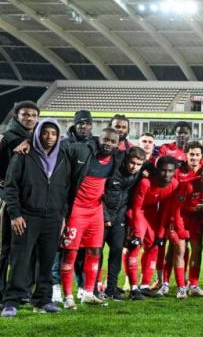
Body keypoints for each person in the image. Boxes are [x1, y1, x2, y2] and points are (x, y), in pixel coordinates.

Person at [1, 118, 68, 317]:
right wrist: (15, 215)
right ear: (37, 134)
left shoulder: (63, 157)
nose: (49, 137)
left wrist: (62, 215)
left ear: (58, 137)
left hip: (52, 218)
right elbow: (11, 187)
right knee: (20, 260)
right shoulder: (23, 154)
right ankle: (11, 301)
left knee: (47, 262)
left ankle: (43, 300)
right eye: (45, 133)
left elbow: (66, 189)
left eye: (53, 133)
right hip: (27, 216)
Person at [60, 127, 121, 309]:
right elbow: (61, 149)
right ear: (98, 138)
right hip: (77, 210)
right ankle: (68, 296)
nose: (108, 144)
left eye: (112, 141)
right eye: (105, 140)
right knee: (70, 253)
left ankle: (88, 293)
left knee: (95, 251)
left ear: (117, 144)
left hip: (96, 211)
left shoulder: (116, 159)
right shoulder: (83, 150)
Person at [0, 100, 40, 300]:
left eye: (33, 115)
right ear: (17, 116)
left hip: (31, 200)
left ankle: (22, 290)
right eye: (25, 114)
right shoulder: (8, 138)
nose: (29, 118)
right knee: (6, 247)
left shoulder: (36, 138)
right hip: (9, 199)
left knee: (28, 247)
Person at [125, 156, 179, 299]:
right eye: (163, 171)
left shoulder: (174, 184)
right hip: (137, 213)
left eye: (170, 171)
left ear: (175, 172)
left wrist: (161, 234)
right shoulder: (146, 182)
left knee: (155, 246)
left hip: (152, 213)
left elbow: (165, 210)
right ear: (157, 170)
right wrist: (136, 231)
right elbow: (136, 208)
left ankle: (144, 286)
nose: (166, 174)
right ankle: (133, 287)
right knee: (135, 245)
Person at [168, 164, 203, 298]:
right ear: (201, 176)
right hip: (180, 218)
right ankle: (181, 288)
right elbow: (176, 209)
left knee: (197, 250)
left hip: (196, 219)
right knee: (180, 249)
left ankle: (194, 285)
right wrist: (180, 229)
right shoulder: (188, 185)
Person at [102, 146, 146, 300]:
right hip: (102, 218)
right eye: (132, 163)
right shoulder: (112, 170)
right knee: (95, 253)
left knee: (116, 251)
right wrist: (105, 216)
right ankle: (92, 288)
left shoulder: (139, 172)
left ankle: (111, 289)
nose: (134, 167)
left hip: (119, 219)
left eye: (139, 164)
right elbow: (99, 193)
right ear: (127, 160)